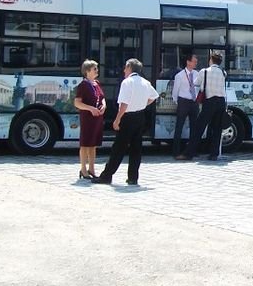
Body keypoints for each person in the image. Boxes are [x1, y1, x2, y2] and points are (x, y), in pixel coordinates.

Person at [92, 58, 158, 186]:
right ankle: (133, 177)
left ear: (129, 68)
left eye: (125, 68)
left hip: (127, 117)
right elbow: (153, 97)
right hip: (140, 116)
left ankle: (107, 175)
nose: (123, 70)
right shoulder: (145, 82)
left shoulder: (127, 82)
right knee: (136, 149)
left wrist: (117, 120)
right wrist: (142, 104)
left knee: (118, 148)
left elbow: (124, 104)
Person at [187, 52, 227, 161]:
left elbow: (196, 83)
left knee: (199, 127)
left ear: (211, 60)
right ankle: (214, 154)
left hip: (209, 101)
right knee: (217, 129)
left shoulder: (204, 71)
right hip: (221, 102)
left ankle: (190, 152)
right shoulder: (223, 72)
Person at [73, 59, 106, 180]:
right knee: (85, 144)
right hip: (87, 118)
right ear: (87, 71)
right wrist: (90, 109)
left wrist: (104, 105)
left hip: (97, 118)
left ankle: (91, 168)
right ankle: (83, 169)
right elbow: (77, 102)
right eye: (94, 69)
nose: (97, 70)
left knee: (93, 144)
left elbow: (102, 98)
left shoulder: (96, 83)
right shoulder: (83, 85)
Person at [171, 53, 199, 160]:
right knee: (179, 127)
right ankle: (176, 151)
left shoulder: (197, 74)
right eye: (194, 61)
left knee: (194, 128)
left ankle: (192, 151)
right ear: (188, 62)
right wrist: (178, 102)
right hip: (183, 101)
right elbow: (175, 91)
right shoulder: (180, 75)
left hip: (194, 102)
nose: (196, 63)